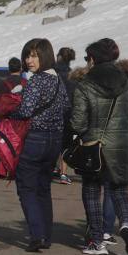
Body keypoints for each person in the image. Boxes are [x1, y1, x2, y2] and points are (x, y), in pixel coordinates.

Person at [70, 39, 128, 255]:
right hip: (121, 144)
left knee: (92, 190)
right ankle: (126, 224)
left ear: (92, 59)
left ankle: (97, 241)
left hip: (95, 147)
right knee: (119, 189)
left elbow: (78, 123)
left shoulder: (85, 84)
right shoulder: (126, 83)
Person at [11, 38, 69, 252]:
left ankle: (36, 234)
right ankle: (46, 236)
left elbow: (25, 110)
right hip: (55, 140)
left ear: (45, 56)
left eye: (34, 56)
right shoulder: (58, 80)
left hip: (35, 138)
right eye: (27, 56)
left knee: (26, 187)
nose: (29, 60)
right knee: (43, 188)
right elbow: (66, 106)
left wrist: (12, 109)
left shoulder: (36, 80)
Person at [55, 47, 76, 185]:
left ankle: (53, 167)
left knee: (53, 141)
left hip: (53, 113)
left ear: (59, 57)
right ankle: (63, 173)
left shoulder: (52, 73)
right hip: (68, 114)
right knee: (66, 144)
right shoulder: (72, 76)